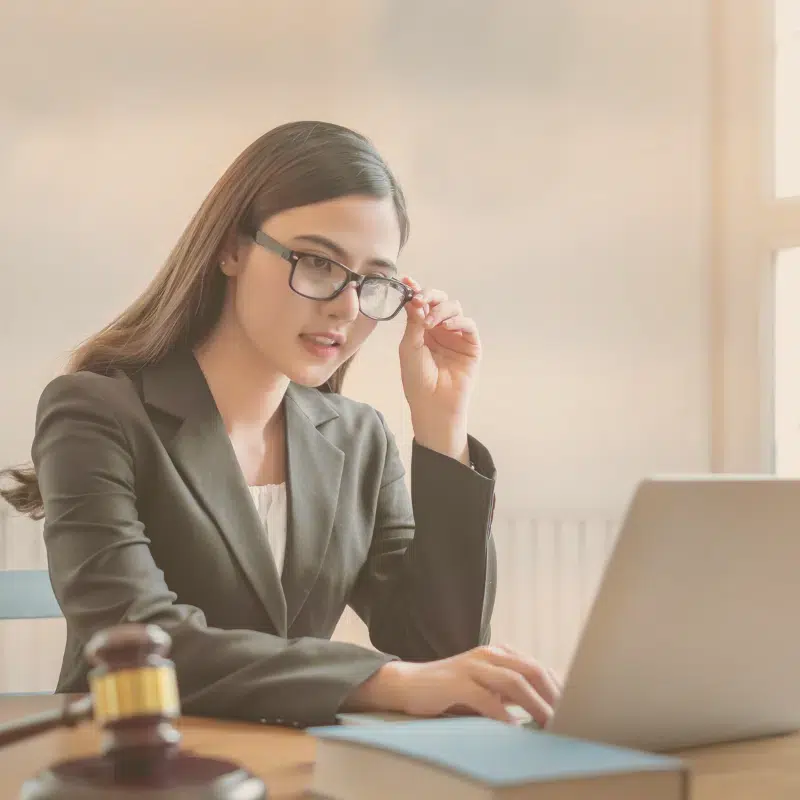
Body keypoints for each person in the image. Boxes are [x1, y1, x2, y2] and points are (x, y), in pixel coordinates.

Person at [0, 121, 559, 728]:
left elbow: (436, 647)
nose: (346, 307)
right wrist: (382, 680)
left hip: (295, 766)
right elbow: (136, 637)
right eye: (318, 262)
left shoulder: (358, 437)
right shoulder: (94, 412)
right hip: (134, 763)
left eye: (374, 281)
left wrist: (442, 429)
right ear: (232, 248)